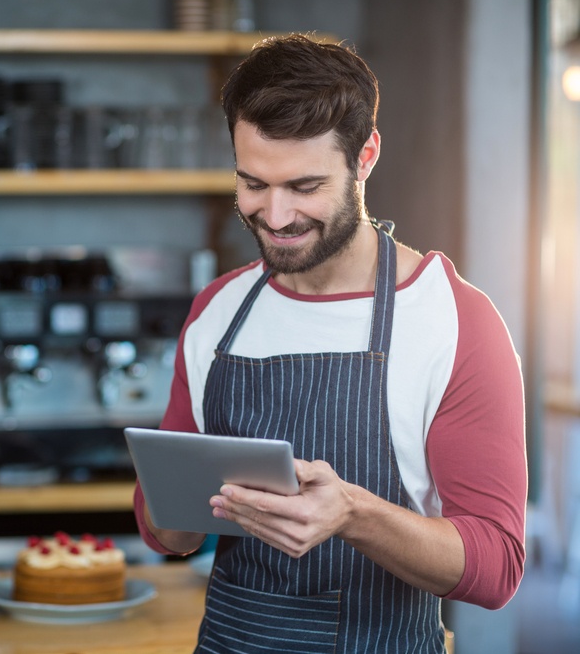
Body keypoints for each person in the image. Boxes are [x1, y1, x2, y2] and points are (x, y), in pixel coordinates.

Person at [133, 34, 527, 653]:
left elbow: (497, 566)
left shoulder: (455, 320)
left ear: (365, 156)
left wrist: (352, 514)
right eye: (253, 183)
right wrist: (173, 511)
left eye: (305, 186)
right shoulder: (219, 311)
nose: (277, 215)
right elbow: (166, 531)